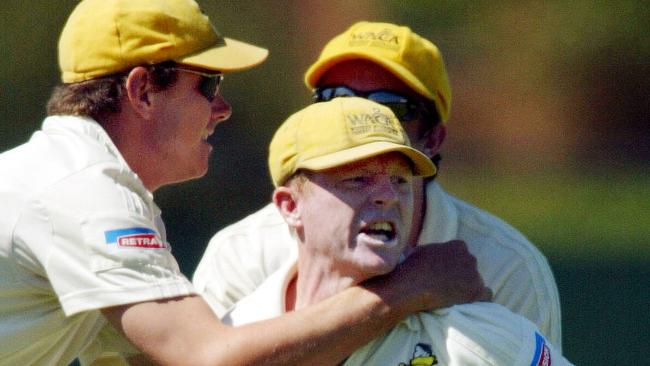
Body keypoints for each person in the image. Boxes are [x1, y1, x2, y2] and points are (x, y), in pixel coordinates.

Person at [0, 4, 489, 366]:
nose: (222, 108)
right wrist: (408, 289)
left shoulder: (78, 178)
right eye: (208, 85)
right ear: (142, 91)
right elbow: (208, 358)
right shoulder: (87, 193)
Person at [193, 21, 563, 349]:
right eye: (333, 98)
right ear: (289, 205)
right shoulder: (241, 254)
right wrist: (408, 289)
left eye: (391, 105)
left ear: (433, 139)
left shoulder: (508, 267)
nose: (359, 117)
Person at [220, 96, 572, 365]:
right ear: (291, 207)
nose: (389, 197)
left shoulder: (480, 333)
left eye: (400, 180)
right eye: (358, 180)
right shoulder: (233, 332)